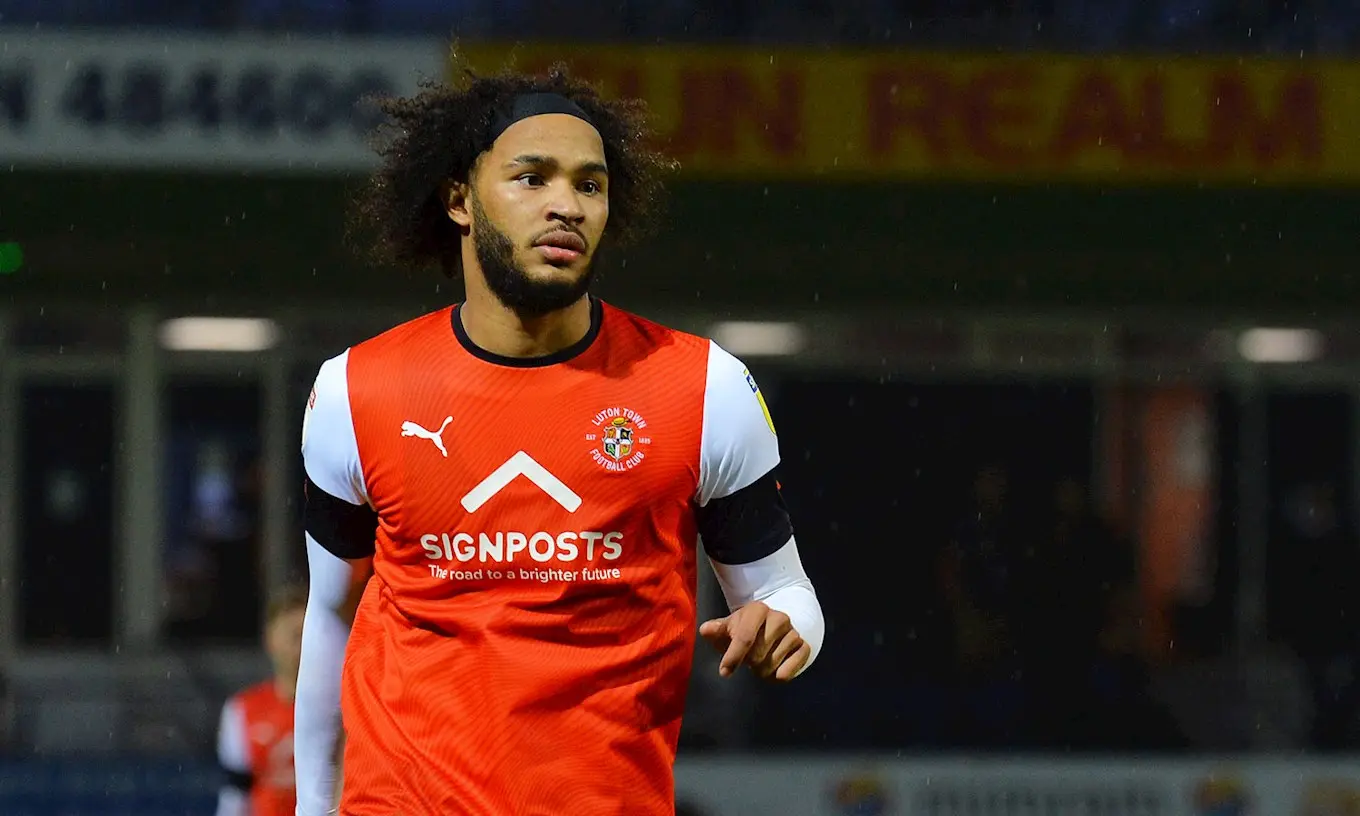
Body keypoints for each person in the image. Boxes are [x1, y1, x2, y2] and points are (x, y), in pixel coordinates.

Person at [293, 65, 825, 815]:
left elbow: (784, 593)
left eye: (589, 185)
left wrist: (787, 629)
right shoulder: (356, 391)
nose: (567, 206)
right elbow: (331, 616)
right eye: (532, 177)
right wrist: (312, 807)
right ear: (459, 200)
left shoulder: (704, 389)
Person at [216, 585, 307, 816]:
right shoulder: (242, 710)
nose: (302, 646)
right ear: (271, 640)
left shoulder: (339, 706)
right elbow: (235, 796)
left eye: (308, 634)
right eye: (295, 636)